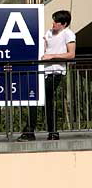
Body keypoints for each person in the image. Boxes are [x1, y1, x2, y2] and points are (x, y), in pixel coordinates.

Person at [19, 10, 76, 141]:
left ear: (64, 24)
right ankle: (51, 132)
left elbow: (71, 54)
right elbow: (42, 48)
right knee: (42, 100)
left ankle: (31, 131)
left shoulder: (68, 34)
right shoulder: (49, 33)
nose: (53, 23)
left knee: (42, 99)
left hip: (55, 72)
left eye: (56, 21)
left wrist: (52, 57)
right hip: (42, 72)